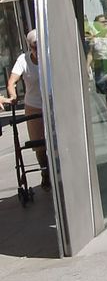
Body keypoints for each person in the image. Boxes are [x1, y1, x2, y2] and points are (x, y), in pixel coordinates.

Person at [6, 29, 47, 187]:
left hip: (52, 102)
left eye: (40, 46)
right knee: (38, 144)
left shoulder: (50, 56)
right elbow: (12, 82)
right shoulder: (23, 60)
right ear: (30, 46)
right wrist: (13, 95)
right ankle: (45, 171)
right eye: (35, 47)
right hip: (34, 105)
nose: (38, 50)